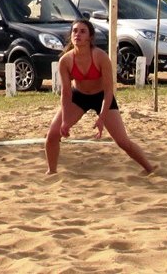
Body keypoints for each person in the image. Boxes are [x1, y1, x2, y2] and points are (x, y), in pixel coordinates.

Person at [45, 18, 155, 175]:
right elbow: (66, 93)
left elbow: (109, 91)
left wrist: (102, 118)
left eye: (83, 31)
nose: (78, 34)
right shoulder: (66, 60)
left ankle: (149, 168)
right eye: (75, 31)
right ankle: (52, 171)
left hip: (102, 97)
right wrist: (65, 122)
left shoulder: (100, 56)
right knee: (53, 134)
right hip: (79, 97)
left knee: (122, 141)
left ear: (90, 37)